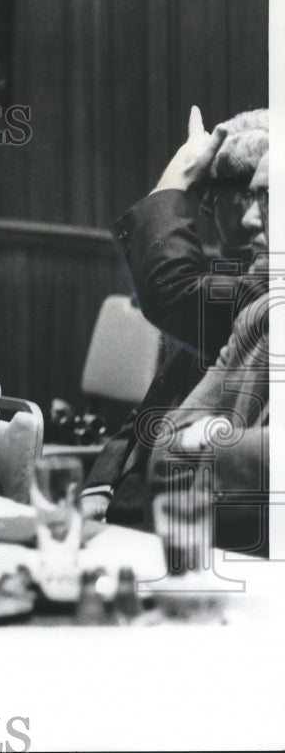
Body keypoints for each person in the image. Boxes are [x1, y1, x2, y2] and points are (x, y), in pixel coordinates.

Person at [80, 107, 269, 523]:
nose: (203, 212)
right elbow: (166, 396)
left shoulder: (264, 290)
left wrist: (181, 173)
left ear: (247, 197)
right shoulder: (244, 280)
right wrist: (101, 482)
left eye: (207, 197)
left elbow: (170, 290)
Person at [144, 151, 270, 554]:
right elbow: (164, 448)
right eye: (251, 196)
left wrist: (203, 440)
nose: (250, 219)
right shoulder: (258, 316)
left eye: (267, 196)